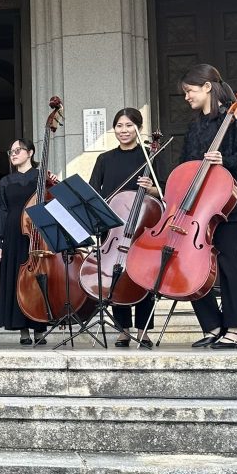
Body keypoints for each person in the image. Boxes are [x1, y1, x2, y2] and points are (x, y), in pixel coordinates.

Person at [178, 63, 237, 349]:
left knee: (229, 264)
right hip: (197, 210)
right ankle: (213, 326)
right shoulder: (194, 127)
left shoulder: (233, 120)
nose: (186, 96)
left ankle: (235, 329)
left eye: (189, 91)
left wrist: (226, 161)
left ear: (207, 87)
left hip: (226, 207)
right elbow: (185, 168)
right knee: (189, 264)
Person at [88, 108, 162, 347]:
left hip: (142, 226)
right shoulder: (104, 159)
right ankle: (122, 330)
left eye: (129, 125)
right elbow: (93, 192)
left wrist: (150, 188)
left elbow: (165, 191)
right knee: (115, 276)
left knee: (143, 277)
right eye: (119, 125)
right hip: (113, 228)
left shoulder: (149, 156)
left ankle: (143, 330)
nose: (124, 130)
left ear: (139, 129)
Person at [0, 139, 49, 346]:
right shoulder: (6, 181)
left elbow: (52, 202)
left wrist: (53, 184)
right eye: (11, 151)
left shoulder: (42, 177)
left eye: (18, 150)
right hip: (14, 235)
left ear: (30, 153)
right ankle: (23, 330)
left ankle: (40, 328)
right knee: (17, 280)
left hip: (38, 236)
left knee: (38, 280)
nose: (13, 154)